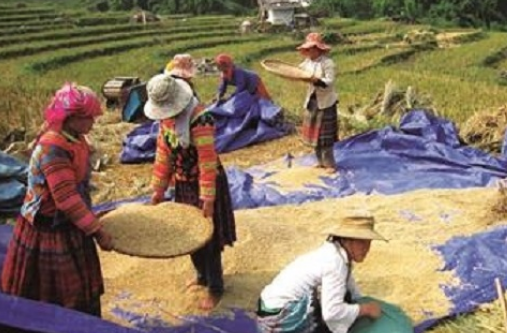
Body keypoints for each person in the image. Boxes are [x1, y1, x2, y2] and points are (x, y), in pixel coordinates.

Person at [0, 83, 113, 316]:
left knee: (79, 287)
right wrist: (97, 231)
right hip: (48, 227)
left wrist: (90, 218)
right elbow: (67, 200)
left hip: (69, 223)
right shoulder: (53, 147)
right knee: (56, 291)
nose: (94, 121)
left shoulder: (75, 137)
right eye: (89, 117)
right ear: (71, 117)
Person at [143, 73, 237, 311]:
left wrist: (207, 199)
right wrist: (158, 190)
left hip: (206, 183)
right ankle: (201, 276)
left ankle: (215, 287)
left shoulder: (200, 119)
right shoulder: (167, 121)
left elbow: (207, 161)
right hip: (184, 185)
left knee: (208, 238)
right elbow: (163, 156)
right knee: (189, 236)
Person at [256, 210, 386, 333]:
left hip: (268, 305)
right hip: (278, 319)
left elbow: (351, 288)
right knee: (337, 303)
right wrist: (365, 309)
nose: (367, 248)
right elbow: (332, 313)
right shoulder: (334, 262)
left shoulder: (337, 253)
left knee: (344, 295)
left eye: (369, 242)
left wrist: (360, 301)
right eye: (361, 242)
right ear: (347, 240)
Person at [297, 32, 339, 173]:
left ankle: (330, 164)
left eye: (311, 49)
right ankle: (320, 161)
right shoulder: (307, 63)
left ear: (318, 49)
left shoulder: (328, 63)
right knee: (315, 135)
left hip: (325, 102)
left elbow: (329, 81)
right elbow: (297, 71)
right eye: (307, 49)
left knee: (324, 136)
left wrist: (316, 81)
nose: (309, 52)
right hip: (312, 101)